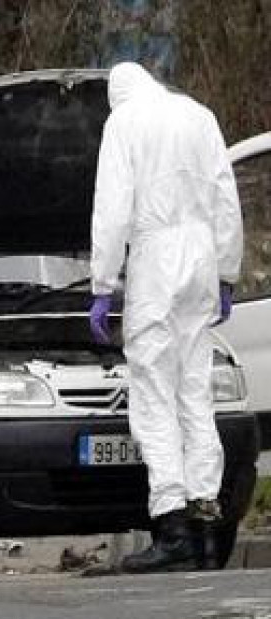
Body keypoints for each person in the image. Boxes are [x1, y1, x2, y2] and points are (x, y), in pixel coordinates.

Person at [89, 62, 243, 573]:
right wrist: (226, 271)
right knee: (194, 390)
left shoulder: (124, 122)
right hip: (200, 255)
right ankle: (205, 522)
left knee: (154, 390)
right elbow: (225, 195)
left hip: (155, 257)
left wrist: (102, 285)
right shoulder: (198, 115)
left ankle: (171, 522)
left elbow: (111, 209)